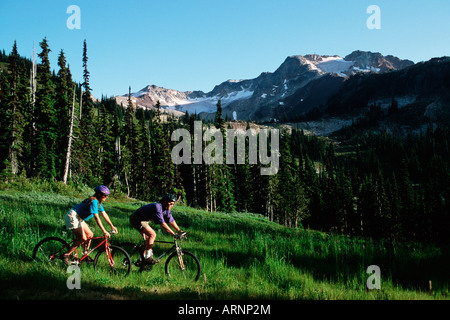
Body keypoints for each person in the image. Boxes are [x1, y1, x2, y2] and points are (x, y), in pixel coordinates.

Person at [62, 185, 118, 264]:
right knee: (83, 239)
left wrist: (112, 226)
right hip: (73, 216)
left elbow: (104, 215)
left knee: (90, 235)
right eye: (105, 195)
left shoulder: (98, 203)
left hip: (79, 218)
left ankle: (85, 255)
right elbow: (96, 217)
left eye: (107, 195)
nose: (106, 197)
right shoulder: (94, 201)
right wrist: (104, 230)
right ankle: (66, 254)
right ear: (99, 194)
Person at [129, 193, 182, 264]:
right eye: (171, 204)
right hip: (136, 219)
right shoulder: (157, 207)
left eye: (173, 204)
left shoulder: (166, 209)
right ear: (165, 202)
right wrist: (173, 234)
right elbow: (162, 224)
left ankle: (141, 259)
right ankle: (147, 257)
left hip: (144, 220)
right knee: (152, 234)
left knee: (148, 240)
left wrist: (179, 230)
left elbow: (171, 220)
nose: (172, 205)